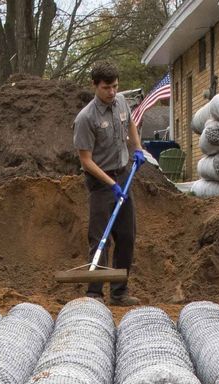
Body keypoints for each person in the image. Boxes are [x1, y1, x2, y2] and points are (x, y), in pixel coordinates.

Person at [73, 63, 147, 302]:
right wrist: (110, 184)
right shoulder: (86, 118)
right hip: (100, 181)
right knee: (100, 236)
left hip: (123, 174)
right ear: (95, 86)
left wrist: (137, 148)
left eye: (115, 86)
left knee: (126, 235)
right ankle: (95, 292)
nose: (112, 92)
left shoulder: (122, 102)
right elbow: (86, 161)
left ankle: (119, 292)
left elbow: (132, 124)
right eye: (106, 88)